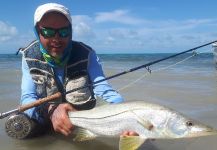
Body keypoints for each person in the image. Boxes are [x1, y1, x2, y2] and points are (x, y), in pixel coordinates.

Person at [20, 3, 137, 138]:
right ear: (37, 31)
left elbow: (105, 92)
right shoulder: (29, 56)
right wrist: (51, 111)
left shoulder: (87, 54)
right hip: (45, 120)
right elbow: (27, 98)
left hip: (84, 124)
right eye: (48, 32)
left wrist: (126, 118)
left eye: (63, 31)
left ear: (71, 31)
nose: (56, 39)